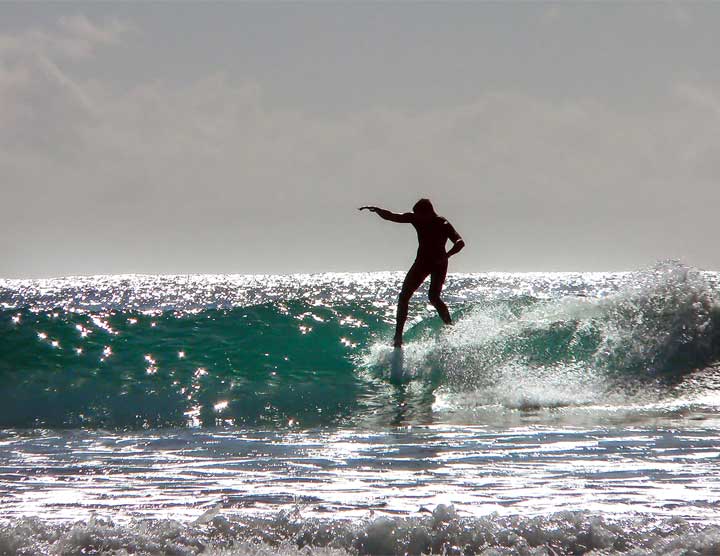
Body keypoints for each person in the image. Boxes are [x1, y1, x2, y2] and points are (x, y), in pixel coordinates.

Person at [359, 199, 465, 347]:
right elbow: (393, 216)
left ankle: (450, 327)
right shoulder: (416, 218)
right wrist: (378, 210)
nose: (417, 218)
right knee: (404, 296)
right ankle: (398, 338)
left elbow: (460, 242)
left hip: (439, 264)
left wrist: (446, 256)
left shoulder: (443, 223)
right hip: (422, 262)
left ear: (429, 212)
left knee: (434, 297)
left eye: (420, 215)